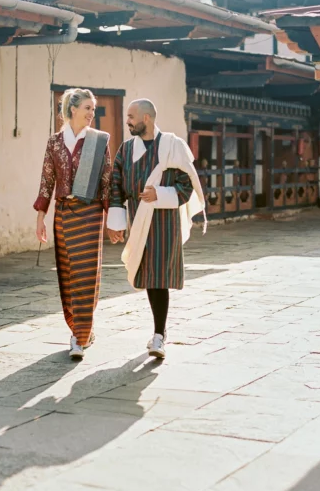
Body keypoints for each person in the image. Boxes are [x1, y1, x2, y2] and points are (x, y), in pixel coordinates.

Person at [107, 99, 206, 359]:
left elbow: (187, 185)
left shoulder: (173, 146)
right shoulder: (126, 150)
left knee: (159, 277)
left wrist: (160, 194)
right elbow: (115, 184)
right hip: (138, 219)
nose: (127, 121)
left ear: (147, 118)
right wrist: (116, 223)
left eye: (131, 116)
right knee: (148, 275)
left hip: (164, 223)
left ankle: (159, 335)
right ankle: (158, 333)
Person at [34, 88, 112, 360]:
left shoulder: (99, 140)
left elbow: (106, 182)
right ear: (73, 110)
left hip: (90, 215)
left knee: (87, 276)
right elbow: (47, 181)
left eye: (94, 108)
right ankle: (80, 330)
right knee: (68, 274)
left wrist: (113, 220)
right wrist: (40, 218)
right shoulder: (54, 142)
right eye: (88, 108)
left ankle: (79, 337)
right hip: (63, 215)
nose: (93, 113)